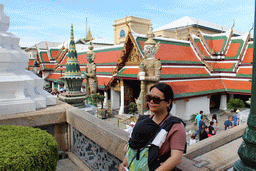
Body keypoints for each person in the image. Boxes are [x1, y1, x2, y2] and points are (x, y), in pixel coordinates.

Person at [119, 83, 186, 171]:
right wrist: (126, 160)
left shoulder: (175, 126)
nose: (151, 102)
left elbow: (176, 158)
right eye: (149, 98)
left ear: (168, 102)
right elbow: (132, 144)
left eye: (156, 99)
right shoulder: (143, 120)